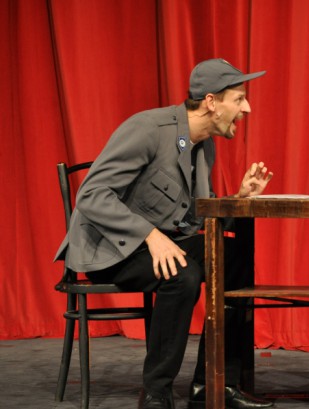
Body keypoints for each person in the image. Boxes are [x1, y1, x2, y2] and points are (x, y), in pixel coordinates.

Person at [55, 59, 275, 409]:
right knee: (182, 273)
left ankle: (214, 384)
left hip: (161, 242)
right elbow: (92, 195)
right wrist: (150, 236)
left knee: (232, 258)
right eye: (239, 99)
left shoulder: (204, 145)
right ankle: (156, 391)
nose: (246, 108)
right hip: (109, 247)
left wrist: (238, 199)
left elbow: (196, 220)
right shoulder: (148, 129)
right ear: (211, 102)